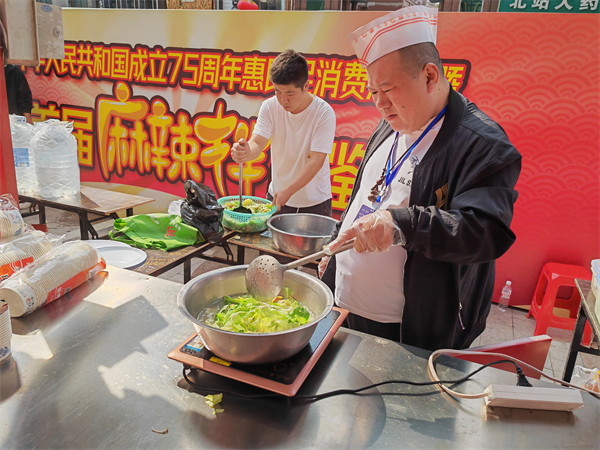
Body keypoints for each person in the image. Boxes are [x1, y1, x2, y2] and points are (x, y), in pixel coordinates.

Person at [319, 6, 522, 351]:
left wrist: (401, 225)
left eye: (388, 88)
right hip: (346, 307)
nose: (379, 104)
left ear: (429, 76)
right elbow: (366, 197)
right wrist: (338, 246)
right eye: (373, 92)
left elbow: (485, 232)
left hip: (413, 330)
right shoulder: (390, 124)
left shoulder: (482, 145)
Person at [231, 50, 336, 216]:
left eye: (290, 93)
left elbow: (316, 161)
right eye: (277, 92)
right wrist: (245, 151)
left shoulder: (324, 113)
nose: (283, 100)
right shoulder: (269, 107)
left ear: (306, 86)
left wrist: (289, 190)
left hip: (314, 202)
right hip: (278, 198)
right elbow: (257, 143)